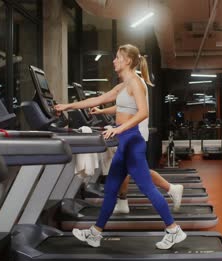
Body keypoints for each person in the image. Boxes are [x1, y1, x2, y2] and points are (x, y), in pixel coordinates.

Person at [55, 44, 186, 250]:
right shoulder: (124, 85)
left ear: (127, 61)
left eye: (117, 57)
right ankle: (95, 233)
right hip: (125, 140)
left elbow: (143, 112)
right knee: (111, 190)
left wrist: (118, 129)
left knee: (147, 188)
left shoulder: (135, 82)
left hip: (132, 140)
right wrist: (67, 106)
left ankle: (173, 230)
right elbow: (99, 99)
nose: (114, 60)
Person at [90, 103, 184, 214]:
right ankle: (122, 203)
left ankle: (172, 189)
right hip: (131, 133)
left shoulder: (134, 85)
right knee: (129, 169)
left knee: (133, 169)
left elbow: (124, 108)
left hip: (131, 134)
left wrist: (103, 112)